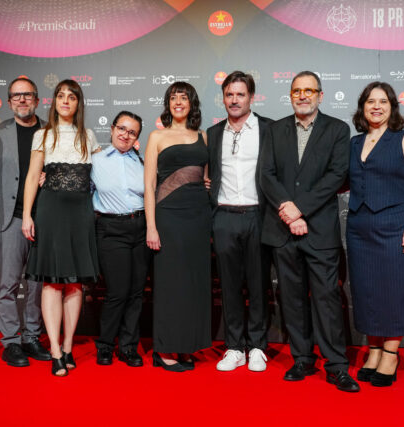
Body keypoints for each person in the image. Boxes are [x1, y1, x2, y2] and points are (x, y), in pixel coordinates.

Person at [259, 71, 360, 392]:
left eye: (309, 90)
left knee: (327, 298)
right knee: (291, 299)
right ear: (290, 95)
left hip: (319, 230)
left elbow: (337, 175)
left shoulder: (337, 129)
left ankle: (336, 365)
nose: (302, 96)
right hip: (283, 230)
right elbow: (266, 175)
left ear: (320, 95)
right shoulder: (274, 130)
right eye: (296, 91)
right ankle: (302, 358)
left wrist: (299, 209)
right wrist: (289, 213)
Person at [347, 81, 404, 387]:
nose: (376, 107)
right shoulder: (354, 143)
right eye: (371, 101)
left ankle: (390, 354)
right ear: (363, 107)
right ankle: (373, 351)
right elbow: (342, 181)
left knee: (394, 290)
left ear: (392, 107)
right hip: (359, 228)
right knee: (367, 290)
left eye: (383, 101)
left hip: (395, 226)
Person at [21, 79, 100, 376]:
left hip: (81, 213)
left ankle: (68, 346)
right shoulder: (42, 135)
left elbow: (103, 174)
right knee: (52, 282)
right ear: (54, 101)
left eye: (72, 97)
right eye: (60, 96)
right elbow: (32, 177)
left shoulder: (89, 136)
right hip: (50, 211)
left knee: (75, 282)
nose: (65, 101)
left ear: (79, 103)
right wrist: (27, 215)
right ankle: (54, 348)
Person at [207, 71, 272, 372]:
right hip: (224, 216)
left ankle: (257, 346)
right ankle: (234, 347)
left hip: (258, 215)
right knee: (229, 286)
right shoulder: (213, 133)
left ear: (251, 97)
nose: (234, 100)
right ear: (223, 98)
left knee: (258, 285)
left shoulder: (269, 129)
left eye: (240, 94)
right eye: (229, 94)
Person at [144, 81, 212, 372]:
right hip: (168, 217)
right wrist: (151, 226)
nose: (178, 102)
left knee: (193, 283)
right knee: (170, 283)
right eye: (173, 98)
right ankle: (164, 348)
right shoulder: (156, 136)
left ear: (192, 103)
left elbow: (206, 177)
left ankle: (186, 345)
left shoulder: (203, 136)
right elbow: (149, 185)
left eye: (184, 97)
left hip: (198, 216)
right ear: (168, 104)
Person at [0, 77, 51, 367]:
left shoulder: (52, 132)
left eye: (28, 95)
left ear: (37, 100)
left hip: (45, 219)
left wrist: (51, 176)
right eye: (16, 95)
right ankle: (11, 342)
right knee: (7, 284)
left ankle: (31, 337)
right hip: (10, 219)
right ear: (9, 101)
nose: (22, 100)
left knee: (37, 285)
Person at [91, 111, 151, 367]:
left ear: (137, 138)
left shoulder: (143, 162)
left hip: (140, 227)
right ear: (112, 128)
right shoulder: (95, 161)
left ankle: (128, 347)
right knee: (117, 291)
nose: (125, 135)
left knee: (136, 292)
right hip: (111, 228)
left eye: (132, 132)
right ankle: (105, 345)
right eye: (122, 128)